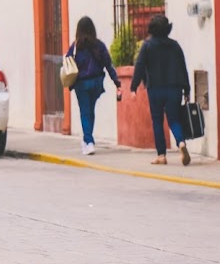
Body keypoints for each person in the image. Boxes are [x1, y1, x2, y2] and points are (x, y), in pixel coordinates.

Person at [130, 14, 192, 166]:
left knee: (157, 120)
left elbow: (139, 66)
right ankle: (181, 143)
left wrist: (133, 87)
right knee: (174, 119)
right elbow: (182, 68)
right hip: (174, 88)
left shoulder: (147, 45)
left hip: (155, 89)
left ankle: (161, 155)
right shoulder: (175, 46)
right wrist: (187, 89)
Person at [64, 16, 122, 156]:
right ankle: (87, 139)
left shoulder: (76, 46)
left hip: (81, 84)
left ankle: (89, 142)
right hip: (96, 83)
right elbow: (108, 65)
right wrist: (116, 82)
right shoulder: (99, 45)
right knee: (91, 110)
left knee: (85, 112)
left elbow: (67, 61)